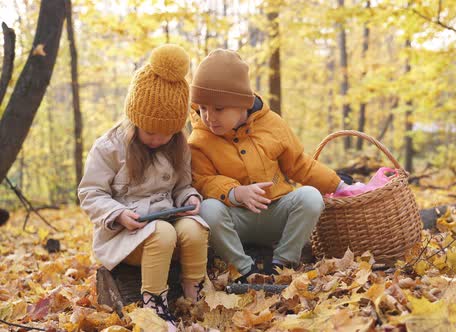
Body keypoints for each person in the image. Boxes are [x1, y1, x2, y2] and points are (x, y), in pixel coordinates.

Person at [187, 49, 348, 283]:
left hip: (275, 211)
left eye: (218, 109)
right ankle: (243, 269)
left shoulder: (272, 124)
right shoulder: (199, 139)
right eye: (202, 108)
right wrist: (235, 192)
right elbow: (202, 180)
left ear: (242, 102)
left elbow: (299, 164)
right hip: (234, 219)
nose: (209, 117)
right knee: (208, 209)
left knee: (311, 197)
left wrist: (339, 184)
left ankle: (282, 263)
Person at [78, 44, 208, 331]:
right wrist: (118, 214)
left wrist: (189, 198)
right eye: (150, 131)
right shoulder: (110, 147)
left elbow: (183, 185)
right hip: (126, 237)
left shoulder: (178, 148)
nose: (157, 139)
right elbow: (90, 193)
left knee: (195, 227)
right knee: (160, 232)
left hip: (168, 227)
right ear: (135, 119)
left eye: (166, 133)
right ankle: (155, 305)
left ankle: (195, 294)